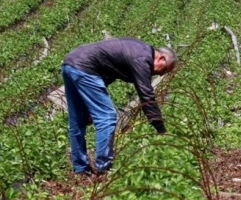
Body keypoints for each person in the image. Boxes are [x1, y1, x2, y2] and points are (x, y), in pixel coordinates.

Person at [62, 37, 177, 175]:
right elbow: (146, 96)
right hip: (85, 67)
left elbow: (107, 72)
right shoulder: (142, 59)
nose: (161, 73)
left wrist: (89, 108)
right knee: (107, 117)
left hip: (70, 63)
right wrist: (161, 129)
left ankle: (80, 169)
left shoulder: (139, 50)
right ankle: (103, 168)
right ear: (161, 59)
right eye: (165, 70)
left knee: (77, 121)